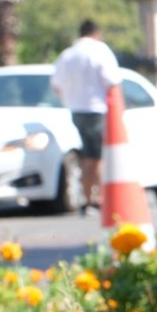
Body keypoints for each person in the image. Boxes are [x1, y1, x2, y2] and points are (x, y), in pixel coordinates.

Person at [50, 19, 123, 215]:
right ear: (96, 33)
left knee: (87, 156)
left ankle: (87, 198)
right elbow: (112, 81)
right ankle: (98, 199)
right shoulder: (99, 50)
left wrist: (68, 100)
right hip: (96, 109)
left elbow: (56, 84)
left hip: (76, 110)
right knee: (97, 157)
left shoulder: (67, 55)